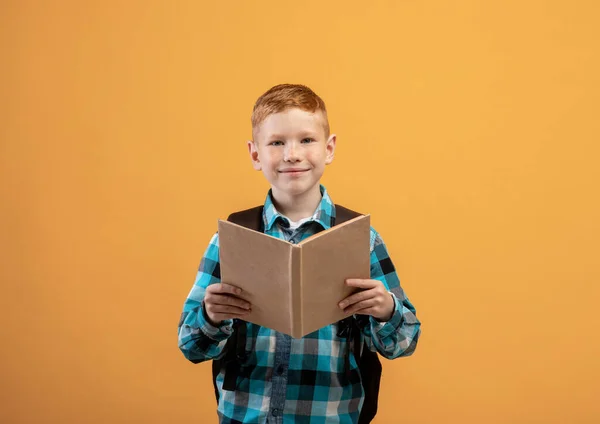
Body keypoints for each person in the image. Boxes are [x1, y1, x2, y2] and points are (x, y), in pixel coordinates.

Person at [178, 83, 421, 424]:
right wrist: (211, 315)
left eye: (307, 140)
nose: (292, 154)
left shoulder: (362, 240)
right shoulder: (231, 238)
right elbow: (190, 345)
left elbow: (405, 342)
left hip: (331, 416)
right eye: (276, 142)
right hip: (243, 417)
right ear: (255, 154)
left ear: (329, 148)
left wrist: (385, 309)